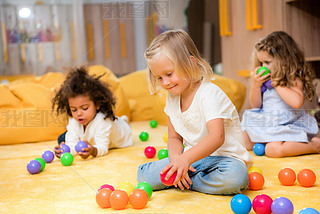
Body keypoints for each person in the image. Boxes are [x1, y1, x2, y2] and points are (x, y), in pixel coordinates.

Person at [137, 29, 253, 195]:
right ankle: (187, 178)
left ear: (191, 63)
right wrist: (177, 161)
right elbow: (174, 137)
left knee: (235, 178)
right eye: (159, 77)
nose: (165, 82)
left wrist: (185, 160)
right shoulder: (172, 98)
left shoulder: (209, 93)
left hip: (224, 160)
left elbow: (216, 137)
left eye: (169, 74)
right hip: (193, 161)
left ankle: (186, 182)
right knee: (144, 176)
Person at [241, 31, 320, 158]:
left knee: (273, 150)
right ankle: (267, 140)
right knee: (242, 142)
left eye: (267, 62)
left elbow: (297, 102)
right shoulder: (265, 80)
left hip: (286, 124)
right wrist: (256, 86)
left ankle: (314, 146)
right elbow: (255, 105)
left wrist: (277, 84)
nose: (263, 67)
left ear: (283, 61)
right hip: (267, 121)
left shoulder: (293, 78)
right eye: (261, 63)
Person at [52, 66, 133, 159]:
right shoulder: (74, 121)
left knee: (115, 125)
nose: (78, 113)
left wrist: (93, 151)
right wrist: (65, 151)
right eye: (74, 109)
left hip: (123, 133)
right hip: (93, 137)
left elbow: (103, 147)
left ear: (97, 104)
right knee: (62, 139)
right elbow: (73, 145)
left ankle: (124, 121)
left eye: (85, 108)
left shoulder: (103, 121)